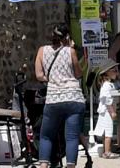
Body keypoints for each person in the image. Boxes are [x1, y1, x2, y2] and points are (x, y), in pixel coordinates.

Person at [34, 25, 88, 168]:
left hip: (53, 99)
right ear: (67, 37)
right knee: (71, 137)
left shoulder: (41, 51)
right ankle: (70, 166)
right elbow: (78, 73)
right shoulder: (70, 51)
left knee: (46, 136)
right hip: (73, 98)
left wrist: (53, 79)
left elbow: (39, 75)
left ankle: (44, 165)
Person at [93, 64, 120, 158]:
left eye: (116, 70)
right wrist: (112, 111)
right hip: (106, 111)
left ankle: (106, 150)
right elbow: (106, 100)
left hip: (106, 110)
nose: (116, 72)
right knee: (109, 131)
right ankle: (107, 152)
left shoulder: (110, 84)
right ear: (107, 73)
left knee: (106, 130)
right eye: (114, 70)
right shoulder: (106, 85)